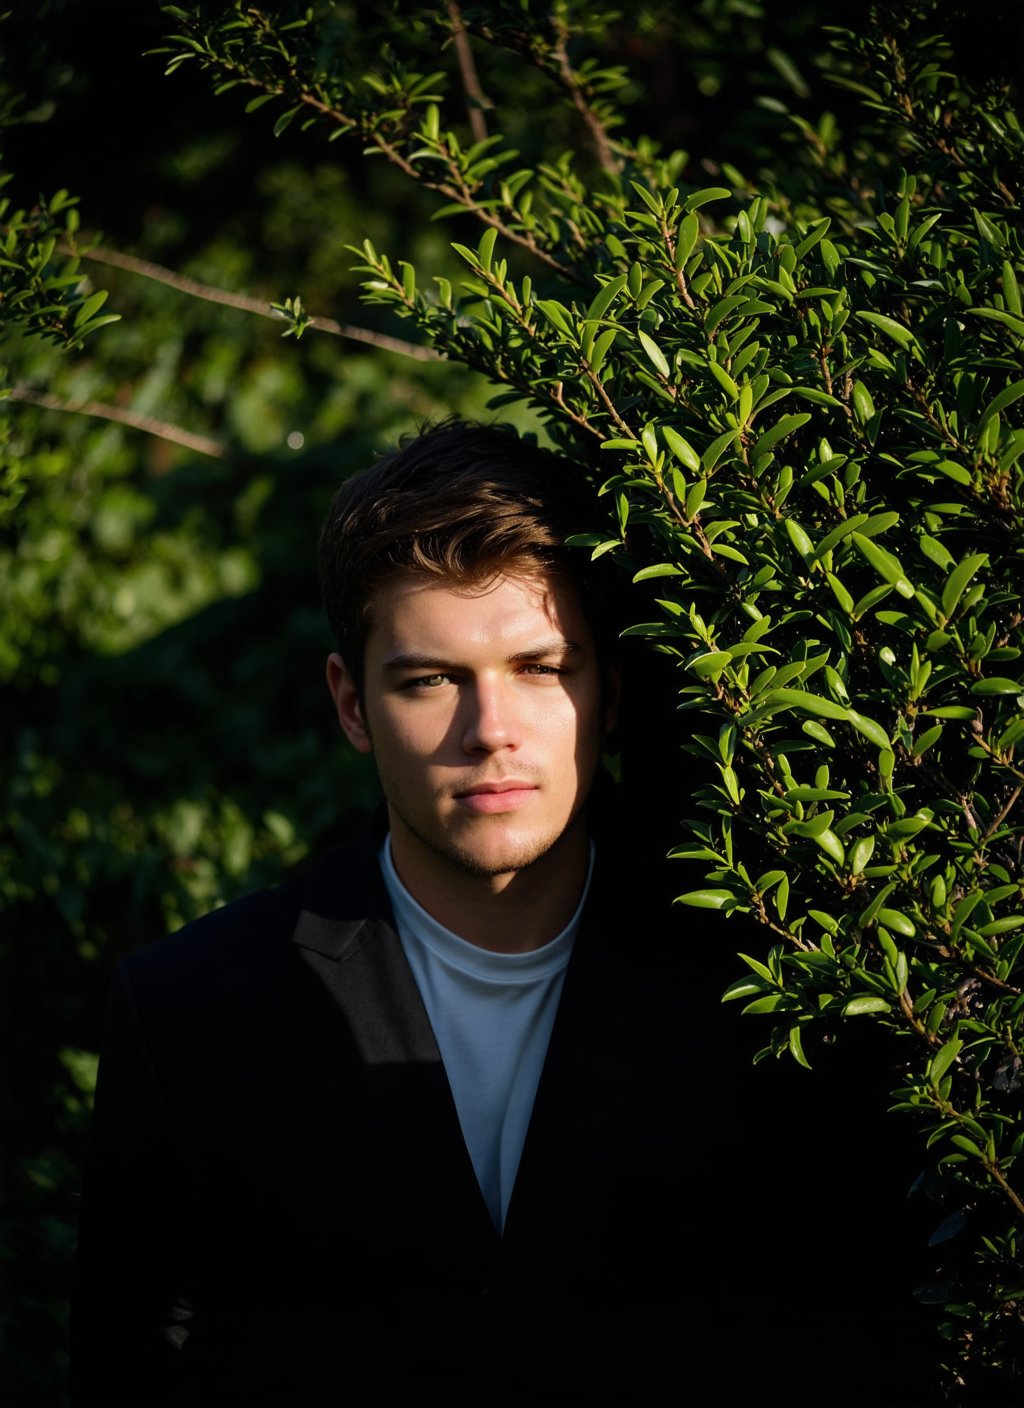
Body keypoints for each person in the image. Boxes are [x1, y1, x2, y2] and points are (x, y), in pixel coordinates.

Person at [69, 420, 690, 1407]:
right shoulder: (189, 1012)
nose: (491, 732)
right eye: (430, 679)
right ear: (351, 703)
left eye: (539, 668)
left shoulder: (752, 994)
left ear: (608, 692)